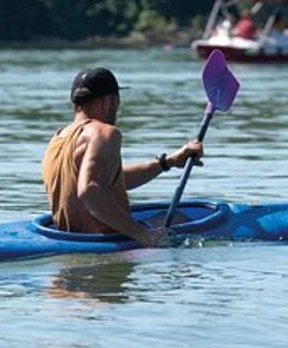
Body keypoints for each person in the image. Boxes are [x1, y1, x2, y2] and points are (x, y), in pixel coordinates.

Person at [42, 67, 203, 246]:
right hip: (104, 245)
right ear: (109, 101)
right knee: (182, 219)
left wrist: (168, 162)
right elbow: (89, 190)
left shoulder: (58, 138)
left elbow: (108, 181)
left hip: (67, 240)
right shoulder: (105, 133)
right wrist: (143, 235)